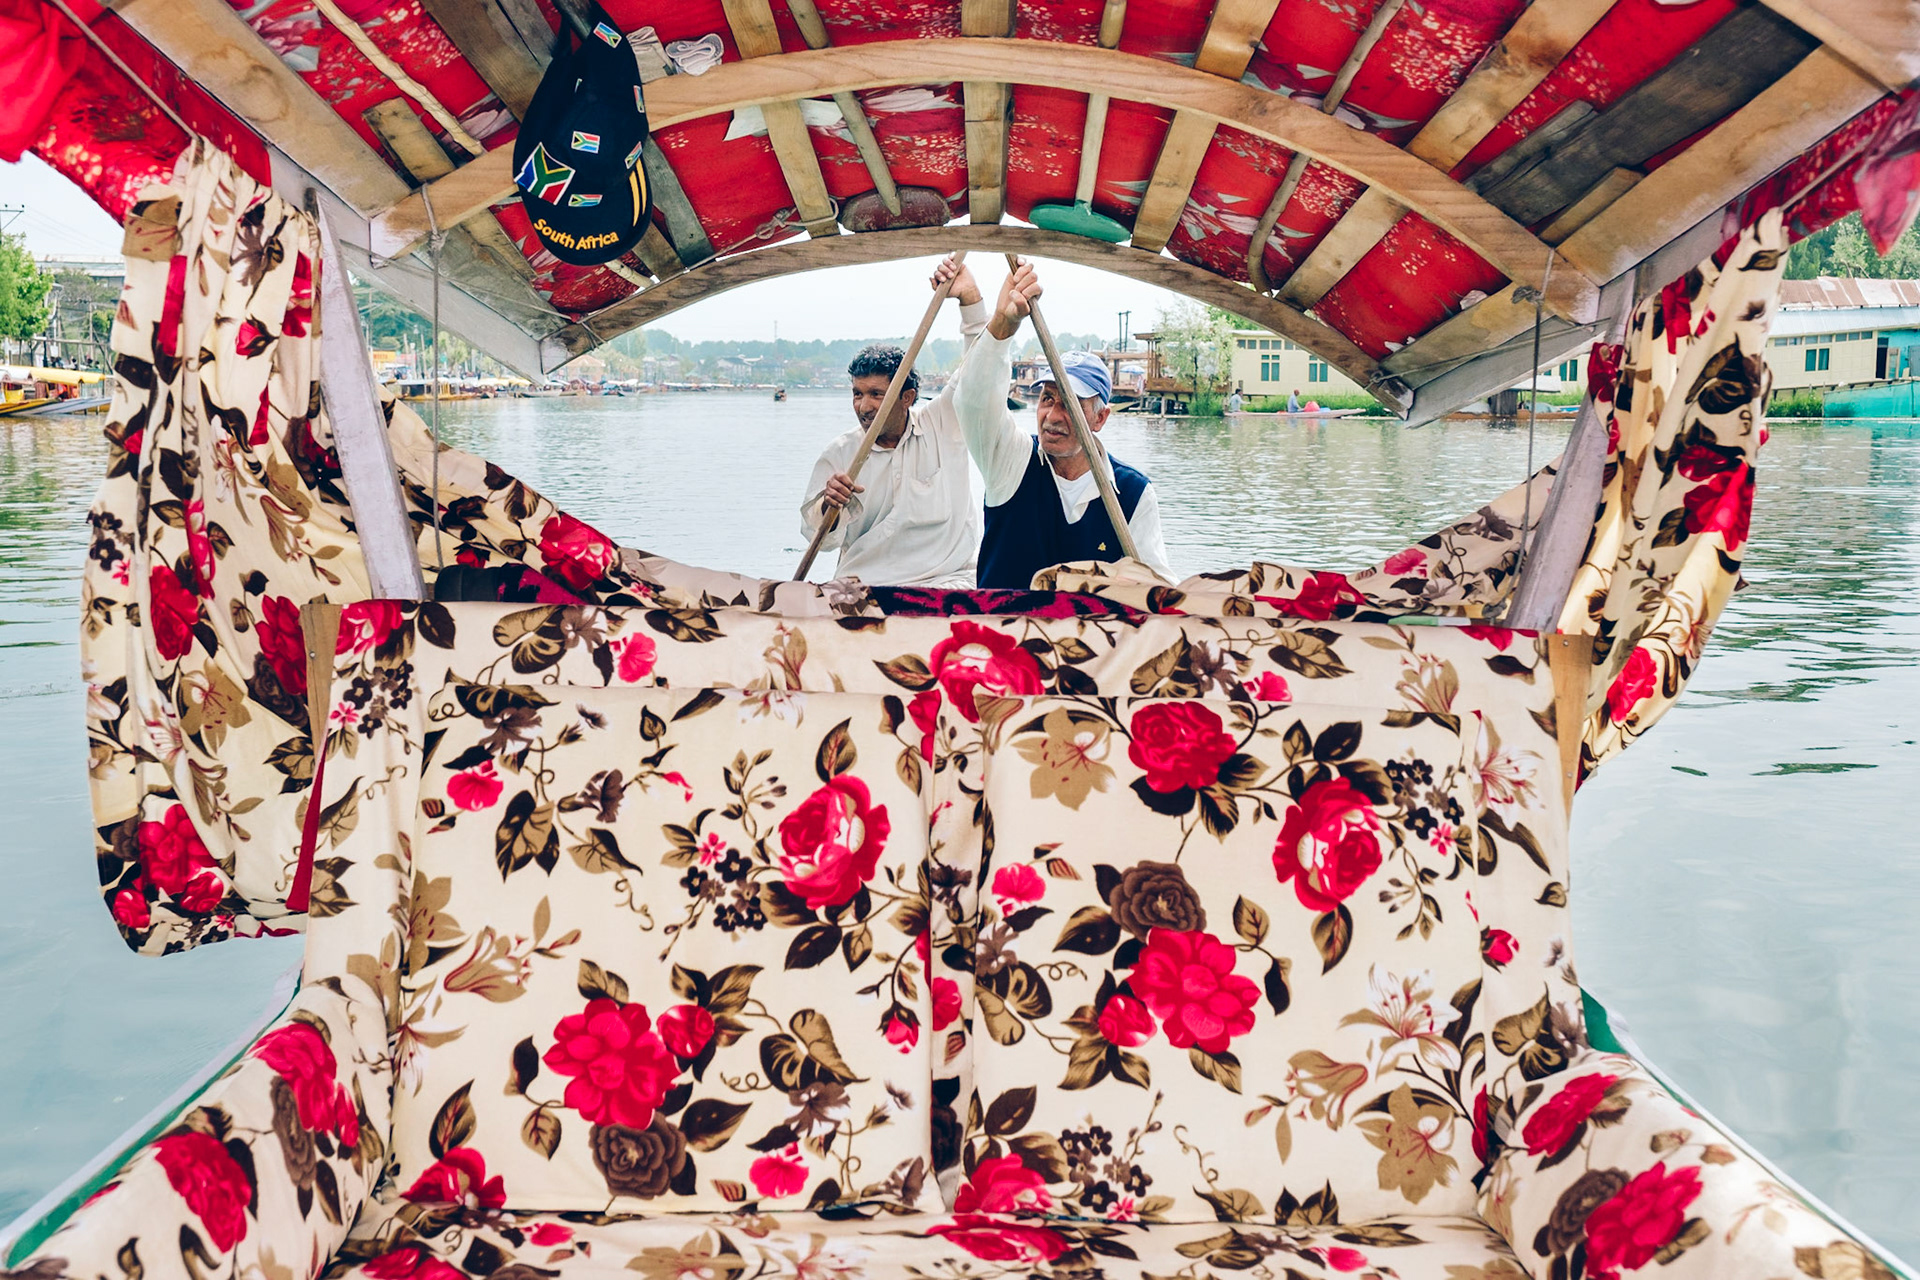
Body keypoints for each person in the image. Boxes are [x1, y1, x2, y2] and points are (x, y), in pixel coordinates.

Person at [954, 258, 1174, 588]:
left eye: (1070, 404)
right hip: (1004, 635)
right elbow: (973, 401)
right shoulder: (1011, 461)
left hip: (1086, 638)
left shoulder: (1133, 494)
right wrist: (1003, 324)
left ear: (1100, 418)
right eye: (1047, 399)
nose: (1053, 416)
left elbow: (1158, 590)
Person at [799, 256, 987, 587]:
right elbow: (821, 541)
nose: (863, 406)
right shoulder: (840, 455)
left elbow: (980, 372)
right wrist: (829, 506)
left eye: (876, 394)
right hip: (862, 585)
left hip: (947, 581)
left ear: (907, 398)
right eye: (857, 394)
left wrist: (970, 299)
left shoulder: (943, 424)